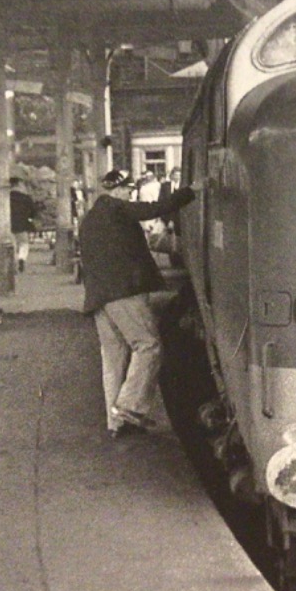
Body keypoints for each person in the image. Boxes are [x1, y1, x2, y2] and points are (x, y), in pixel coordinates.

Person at [79, 168, 197, 439]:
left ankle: (116, 423)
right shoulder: (117, 209)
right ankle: (129, 408)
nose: (129, 195)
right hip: (124, 293)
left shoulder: (90, 219)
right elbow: (154, 208)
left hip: (99, 298)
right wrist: (190, 192)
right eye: (127, 190)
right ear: (118, 189)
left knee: (114, 358)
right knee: (149, 346)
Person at [10, 178, 37, 272]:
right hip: (22, 223)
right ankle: (22, 258)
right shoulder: (25, 197)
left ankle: (13, 262)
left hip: (8, 224)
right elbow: (33, 211)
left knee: (12, 244)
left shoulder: (6, 197)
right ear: (19, 185)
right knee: (23, 243)